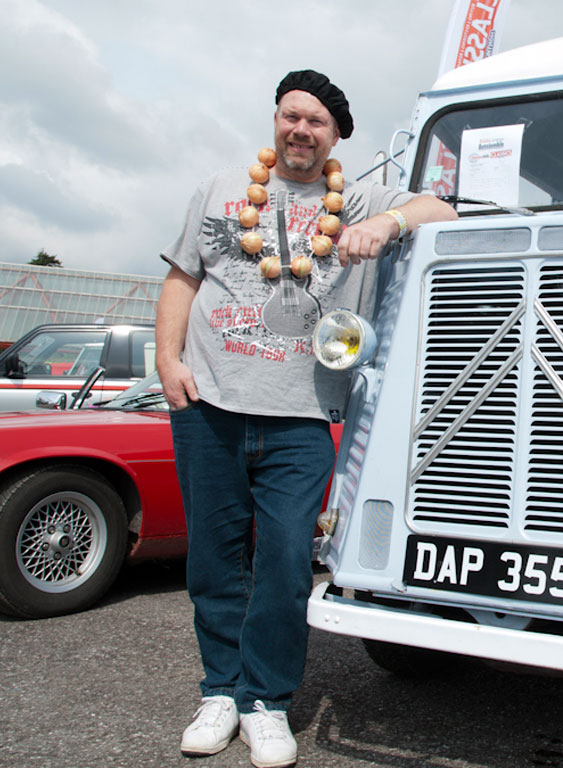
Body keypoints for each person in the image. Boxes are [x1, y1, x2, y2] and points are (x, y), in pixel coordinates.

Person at [156, 69, 456, 768]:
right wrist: (167, 362)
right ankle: (220, 691)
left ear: (335, 136)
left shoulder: (356, 197)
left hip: (301, 415)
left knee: (288, 562)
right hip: (210, 403)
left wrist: (386, 221)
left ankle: (267, 702)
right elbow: (181, 277)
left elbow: (443, 211)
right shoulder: (219, 188)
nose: (300, 130)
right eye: (292, 116)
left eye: (316, 122)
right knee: (213, 560)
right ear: (275, 120)